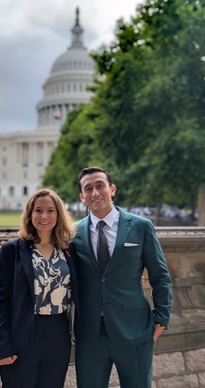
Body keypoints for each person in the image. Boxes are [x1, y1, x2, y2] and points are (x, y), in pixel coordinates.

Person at [72, 166, 172, 388]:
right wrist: (12, 249)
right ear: (82, 196)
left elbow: (160, 276)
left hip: (135, 330)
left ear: (112, 189)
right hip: (90, 335)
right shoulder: (72, 233)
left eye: (100, 186)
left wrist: (161, 321)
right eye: (88, 189)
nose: (95, 193)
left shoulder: (140, 227)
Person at [0, 188, 79, 388]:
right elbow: (0, 302)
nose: (44, 216)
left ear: (58, 214)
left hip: (58, 336)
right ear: (29, 214)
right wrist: (3, 346)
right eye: (38, 210)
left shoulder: (69, 250)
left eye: (50, 210)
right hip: (22, 337)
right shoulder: (11, 250)